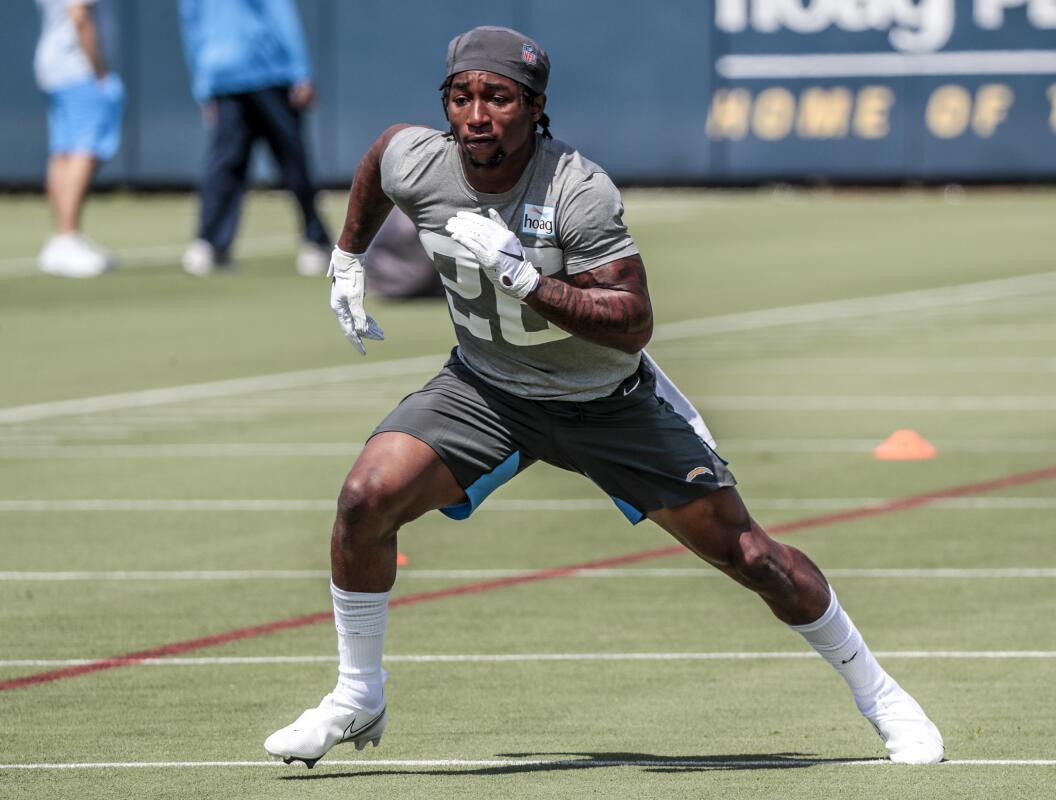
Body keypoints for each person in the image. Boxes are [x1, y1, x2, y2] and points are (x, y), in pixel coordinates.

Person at [264, 26, 944, 768]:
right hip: (487, 389)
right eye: (461, 97)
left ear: (535, 108)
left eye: (497, 98)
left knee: (754, 558)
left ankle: (881, 697)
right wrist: (348, 254)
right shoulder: (419, 157)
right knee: (365, 498)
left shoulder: (576, 190)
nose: (476, 116)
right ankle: (358, 692)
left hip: (604, 399)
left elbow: (633, 323)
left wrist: (528, 280)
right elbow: (378, 159)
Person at [177, 0, 331, 276]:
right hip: (239, 78)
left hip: (262, 75)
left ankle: (315, 240)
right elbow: (193, 25)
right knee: (232, 163)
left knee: (288, 160)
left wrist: (203, 84)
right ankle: (211, 244)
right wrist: (302, 72)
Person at [33, 0, 124, 278]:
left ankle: (63, 237)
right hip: (77, 67)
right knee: (82, 149)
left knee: (62, 150)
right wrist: (99, 71)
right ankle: (67, 237)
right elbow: (80, 15)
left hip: (52, 64)